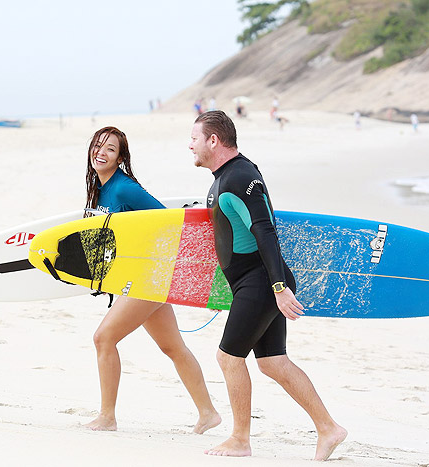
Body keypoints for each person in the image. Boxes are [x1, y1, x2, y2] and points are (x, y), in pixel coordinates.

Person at [188, 111, 347, 460]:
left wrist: (278, 286)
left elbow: (264, 229)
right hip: (253, 283)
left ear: (213, 140)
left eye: (195, 138)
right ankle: (329, 429)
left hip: (260, 283)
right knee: (273, 362)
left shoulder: (240, 176)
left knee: (228, 357)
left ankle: (240, 439)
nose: (191, 145)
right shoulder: (225, 177)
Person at [83, 126, 221, 434]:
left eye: (110, 149)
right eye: (98, 146)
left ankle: (107, 416)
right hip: (137, 278)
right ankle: (208, 413)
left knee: (103, 338)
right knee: (173, 347)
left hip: (149, 278)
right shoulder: (100, 188)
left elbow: (166, 220)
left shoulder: (123, 188)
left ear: (120, 158)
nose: (101, 153)